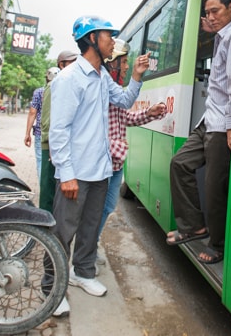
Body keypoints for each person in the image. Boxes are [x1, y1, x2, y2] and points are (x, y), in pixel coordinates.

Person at [49, 16, 149, 314]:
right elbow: (59, 131)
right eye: (108, 36)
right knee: (62, 232)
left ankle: (82, 273)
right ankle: (52, 288)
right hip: (75, 173)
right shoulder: (69, 79)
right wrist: (66, 175)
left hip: (100, 170)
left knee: (91, 228)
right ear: (91, 39)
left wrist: (138, 76)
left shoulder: (102, 75)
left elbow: (124, 101)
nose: (112, 42)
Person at [165, 0, 231, 265]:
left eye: (216, 11)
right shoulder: (222, 36)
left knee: (214, 188)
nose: (210, 16)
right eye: (207, 12)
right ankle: (194, 226)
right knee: (180, 163)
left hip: (222, 125)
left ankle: (217, 244)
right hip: (208, 120)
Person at [96, 39, 167, 247]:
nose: (127, 67)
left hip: (116, 162)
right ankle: (87, 253)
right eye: (125, 62)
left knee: (107, 208)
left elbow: (125, 117)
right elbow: (126, 102)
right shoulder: (102, 83)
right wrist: (137, 75)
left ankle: (93, 245)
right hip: (105, 160)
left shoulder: (115, 88)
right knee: (96, 209)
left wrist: (149, 113)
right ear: (112, 62)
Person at [39, 51, 78, 214]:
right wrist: (51, 147)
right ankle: (41, 230)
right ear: (61, 64)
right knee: (47, 192)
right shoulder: (54, 84)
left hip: (59, 146)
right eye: (72, 62)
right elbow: (48, 118)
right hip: (50, 147)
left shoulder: (68, 83)